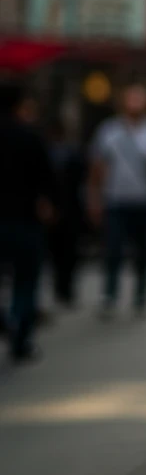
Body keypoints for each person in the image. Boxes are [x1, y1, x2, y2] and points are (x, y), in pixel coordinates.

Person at [88, 83, 146, 317]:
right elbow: (98, 167)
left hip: (144, 200)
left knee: (143, 250)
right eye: (130, 99)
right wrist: (94, 197)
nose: (134, 104)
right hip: (115, 199)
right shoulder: (109, 131)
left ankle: (141, 293)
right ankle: (109, 294)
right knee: (113, 249)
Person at [0, 83, 55, 363]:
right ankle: (19, 334)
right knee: (25, 282)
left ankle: (7, 319)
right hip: (24, 220)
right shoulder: (30, 137)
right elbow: (47, 181)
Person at [47, 120, 88, 309]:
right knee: (67, 252)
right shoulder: (70, 153)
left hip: (59, 209)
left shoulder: (54, 153)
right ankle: (65, 289)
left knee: (62, 252)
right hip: (68, 209)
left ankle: (62, 288)